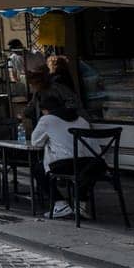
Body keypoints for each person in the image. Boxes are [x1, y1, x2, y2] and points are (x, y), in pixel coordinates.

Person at [30, 90, 94, 219]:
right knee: (82, 169)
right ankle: (81, 205)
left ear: (46, 110)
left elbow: (35, 142)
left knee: (38, 169)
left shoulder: (47, 119)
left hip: (66, 164)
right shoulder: (81, 119)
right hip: (92, 165)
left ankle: (60, 203)